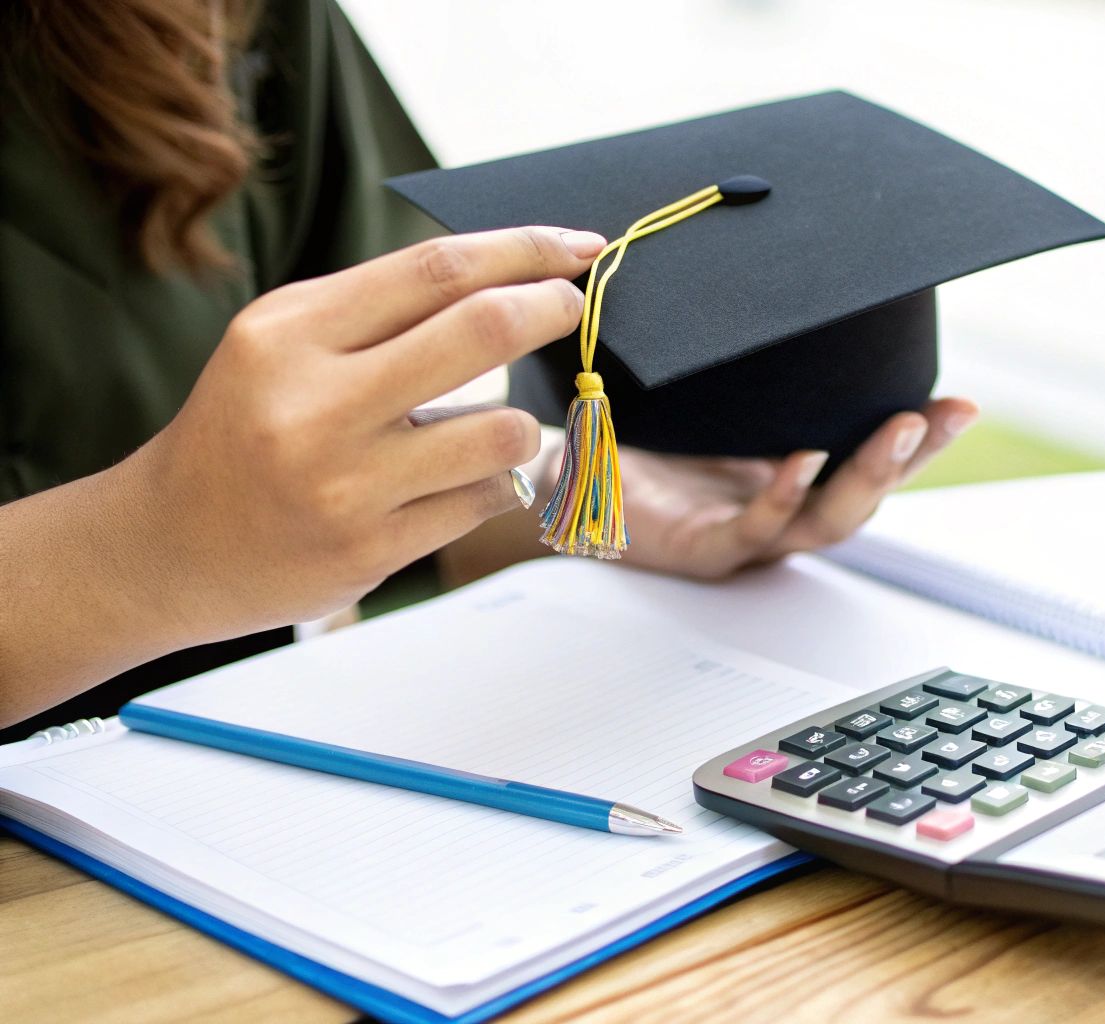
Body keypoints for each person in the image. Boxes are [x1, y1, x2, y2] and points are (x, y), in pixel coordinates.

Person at [0, 0, 977, 738]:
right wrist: (149, 549)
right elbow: (206, 527)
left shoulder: (180, 19)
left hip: (207, 800)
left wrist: (577, 494)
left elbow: (301, 484)